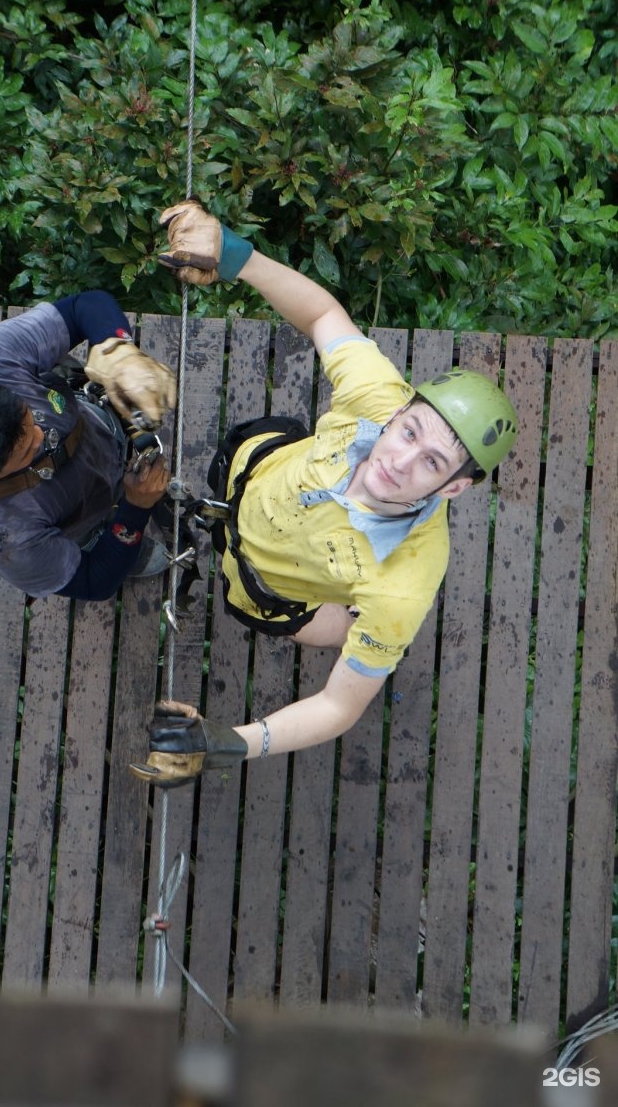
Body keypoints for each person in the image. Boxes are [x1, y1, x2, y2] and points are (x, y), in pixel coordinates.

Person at [130, 200, 518, 787]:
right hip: (251, 479)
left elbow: (340, 707)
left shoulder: (405, 582)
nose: (399, 460)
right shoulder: (378, 395)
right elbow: (322, 315)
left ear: (456, 487)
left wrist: (232, 744)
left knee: (327, 621)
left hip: (268, 584)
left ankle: (349, 624)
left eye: (432, 462)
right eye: (409, 431)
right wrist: (236, 256)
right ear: (402, 409)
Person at [0, 290, 177, 601]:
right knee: (102, 550)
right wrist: (135, 511)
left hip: (99, 426)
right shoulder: (6, 537)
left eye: (31, 419)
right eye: (28, 449)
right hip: (79, 515)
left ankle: (119, 526)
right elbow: (93, 582)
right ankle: (111, 534)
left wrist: (120, 356)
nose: (42, 436)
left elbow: (85, 305)